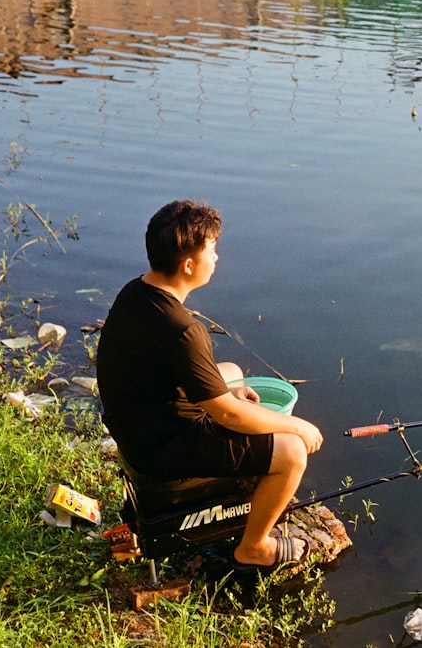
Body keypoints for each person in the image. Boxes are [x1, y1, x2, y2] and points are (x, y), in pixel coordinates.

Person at [97, 199, 323, 571]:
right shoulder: (185, 330)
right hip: (162, 449)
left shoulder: (135, 293)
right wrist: (295, 425)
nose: (217, 258)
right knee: (293, 452)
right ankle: (254, 547)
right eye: (212, 251)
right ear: (188, 265)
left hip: (137, 427)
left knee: (231, 372)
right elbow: (230, 416)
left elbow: (169, 374)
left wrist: (227, 392)